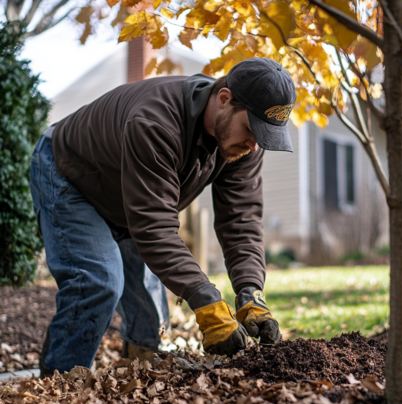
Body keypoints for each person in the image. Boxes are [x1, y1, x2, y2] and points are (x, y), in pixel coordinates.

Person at [30, 57, 296, 376]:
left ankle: (135, 382)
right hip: (70, 173)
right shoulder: (157, 122)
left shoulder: (244, 145)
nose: (255, 147)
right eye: (253, 131)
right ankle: (57, 385)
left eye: (265, 138)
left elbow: (241, 222)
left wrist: (250, 291)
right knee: (98, 281)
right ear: (224, 98)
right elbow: (154, 227)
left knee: (149, 318)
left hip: (127, 192)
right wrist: (206, 300)